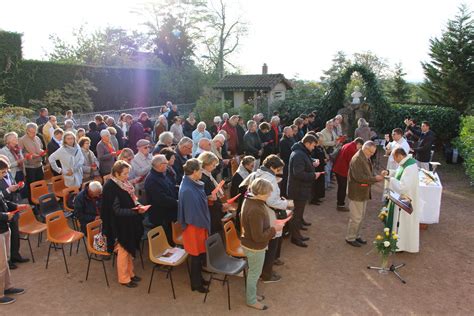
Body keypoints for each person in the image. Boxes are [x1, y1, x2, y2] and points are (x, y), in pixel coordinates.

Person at [240, 155, 292, 282]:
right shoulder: (269, 179)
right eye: (278, 170)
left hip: (262, 210)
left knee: (270, 241)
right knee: (271, 241)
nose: (279, 172)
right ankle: (267, 274)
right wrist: (287, 204)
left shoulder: (258, 173)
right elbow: (271, 200)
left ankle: (267, 269)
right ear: (272, 167)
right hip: (267, 212)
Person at [101, 161, 145, 287]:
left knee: (128, 250)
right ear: (116, 173)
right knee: (123, 251)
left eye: (128, 173)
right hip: (119, 225)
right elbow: (116, 211)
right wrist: (134, 212)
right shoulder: (110, 187)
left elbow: (132, 199)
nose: (127, 176)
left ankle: (130, 274)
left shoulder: (124, 183)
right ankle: (124, 278)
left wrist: (138, 206)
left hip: (128, 222)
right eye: (125, 174)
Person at [241, 178, 283, 311]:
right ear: (259, 193)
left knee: (253, 272)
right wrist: (274, 229)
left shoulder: (251, 199)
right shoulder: (255, 209)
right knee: (254, 274)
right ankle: (251, 300)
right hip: (254, 247)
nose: (270, 195)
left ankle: (251, 295)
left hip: (250, 244)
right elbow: (258, 237)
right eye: (267, 193)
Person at [177, 158, 211, 293]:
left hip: (198, 224)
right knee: (195, 257)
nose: (202, 172)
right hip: (194, 226)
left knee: (199, 254)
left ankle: (199, 280)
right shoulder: (188, 190)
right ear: (195, 172)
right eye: (200, 170)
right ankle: (196, 284)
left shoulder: (191, 183)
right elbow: (192, 214)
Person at [345, 141, 387, 247]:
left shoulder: (365, 156)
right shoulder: (357, 159)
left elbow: (368, 172)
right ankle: (350, 237)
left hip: (362, 192)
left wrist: (375, 176)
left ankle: (356, 235)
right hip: (356, 192)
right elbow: (359, 177)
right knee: (356, 217)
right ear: (366, 149)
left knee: (361, 216)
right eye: (371, 152)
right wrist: (375, 179)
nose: (372, 154)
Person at [287, 134, 322, 248]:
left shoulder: (301, 152)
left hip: (301, 189)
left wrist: (311, 162)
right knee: (296, 215)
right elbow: (298, 173)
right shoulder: (298, 154)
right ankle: (295, 237)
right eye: (313, 146)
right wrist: (313, 175)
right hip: (298, 190)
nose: (313, 148)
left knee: (298, 214)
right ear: (307, 143)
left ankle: (297, 235)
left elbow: (305, 160)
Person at [0, 165, 26, 304]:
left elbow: (3, 202)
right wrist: (5, 216)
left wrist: (16, 207)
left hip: (4, 227)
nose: (5, 174)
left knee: (6, 260)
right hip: (1, 226)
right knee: (1, 263)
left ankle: (7, 287)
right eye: (2, 172)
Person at [386, 148, 420, 253]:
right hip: (402, 199)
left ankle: (401, 245)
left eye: (394, 158)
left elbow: (403, 187)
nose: (395, 160)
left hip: (405, 201)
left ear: (399, 156)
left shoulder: (409, 167)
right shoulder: (406, 163)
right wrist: (389, 172)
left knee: (402, 224)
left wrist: (390, 180)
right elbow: (399, 173)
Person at [0, 157, 29, 269]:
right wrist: (8, 190)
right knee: (6, 239)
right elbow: (3, 194)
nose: (5, 174)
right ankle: (8, 261)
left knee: (14, 234)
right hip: (4, 214)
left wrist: (17, 188)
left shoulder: (8, 174)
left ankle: (15, 255)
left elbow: (4, 198)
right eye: (3, 172)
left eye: (6, 171)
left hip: (11, 206)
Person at [145, 155, 178, 244]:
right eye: (166, 164)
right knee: (167, 239)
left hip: (169, 212)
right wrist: (177, 202)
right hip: (161, 215)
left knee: (171, 235)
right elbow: (161, 199)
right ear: (160, 165)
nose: (167, 165)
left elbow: (170, 186)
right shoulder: (152, 179)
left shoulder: (162, 174)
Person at [197, 152, 230, 234]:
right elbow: (208, 197)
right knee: (215, 230)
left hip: (215, 207)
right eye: (213, 165)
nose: (214, 167)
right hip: (211, 210)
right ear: (205, 164)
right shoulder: (202, 178)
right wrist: (221, 206)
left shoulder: (208, 174)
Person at [332, 138, 364, 212]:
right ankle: (340, 205)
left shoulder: (348, 145)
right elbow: (351, 163)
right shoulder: (352, 149)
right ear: (358, 143)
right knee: (342, 188)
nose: (359, 148)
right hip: (342, 170)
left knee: (341, 187)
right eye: (360, 146)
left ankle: (340, 203)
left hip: (339, 168)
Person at [18, 123, 44, 206]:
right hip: (30, 167)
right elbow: (20, 153)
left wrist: (42, 152)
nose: (33, 134)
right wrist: (30, 155)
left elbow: (41, 147)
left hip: (39, 164)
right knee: (31, 186)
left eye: (35, 132)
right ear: (27, 131)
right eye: (31, 132)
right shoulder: (22, 140)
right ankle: (33, 205)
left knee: (40, 185)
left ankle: (40, 202)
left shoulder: (37, 138)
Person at [230, 156, 255, 224]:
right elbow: (234, 191)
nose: (253, 167)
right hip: (241, 198)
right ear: (245, 165)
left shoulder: (248, 171)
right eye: (251, 165)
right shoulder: (239, 175)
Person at [320, 120, 342, 189]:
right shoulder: (323, 132)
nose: (331, 127)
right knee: (327, 169)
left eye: (332, 125)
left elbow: (335, 138)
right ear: (326, 125)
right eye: (329, 125)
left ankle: (328, 183)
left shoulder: (332, 131)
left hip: (332, 152)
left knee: (330, 168)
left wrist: (339, 139)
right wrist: (333, 143)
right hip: (326, 153)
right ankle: (326, 185)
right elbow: (322, 143)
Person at [310, 133, 327, 205]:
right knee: (315, 185)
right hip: (316, 169)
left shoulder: (319, 147)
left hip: (320, 168)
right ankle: (313, 199)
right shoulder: (314, 149)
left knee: (319, 185)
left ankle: (317, 197)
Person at [279, 126, 295, 197]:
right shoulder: (283, 141)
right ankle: (283, 194)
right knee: (285, 179)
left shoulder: (291, 139)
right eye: (291, 131)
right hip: (286, 163)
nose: (292, 132)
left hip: (291, 162)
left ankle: (288, 192)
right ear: (287, 133)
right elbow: (285, 154)